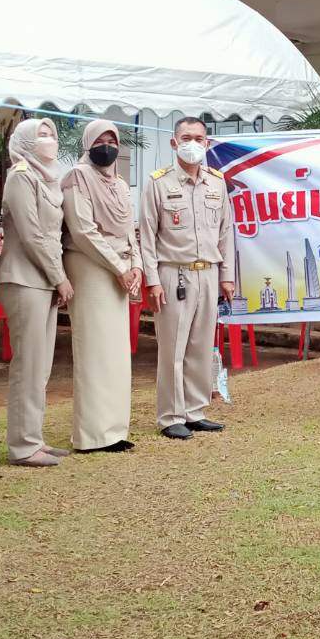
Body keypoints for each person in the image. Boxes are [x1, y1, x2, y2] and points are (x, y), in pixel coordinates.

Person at [140, 117, 236, 440]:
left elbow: (226, 233)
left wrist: (227, 277)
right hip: (174, 274)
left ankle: (195, 410)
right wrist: (152, 281)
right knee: (173, 348)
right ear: (173, 143)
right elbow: (147, 238)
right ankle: (170, 415)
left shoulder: (216, 183)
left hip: (208, 273)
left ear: (206, 143)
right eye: (186, 137)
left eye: (198, 138)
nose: (192, 144)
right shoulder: (159, 183)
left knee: (199, 346)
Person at [0, 118, 74, 468]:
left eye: (51, 135)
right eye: (41, 136)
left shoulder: (48, 178)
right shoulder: (21, 176)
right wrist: (60, 277)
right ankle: (23, 445)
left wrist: (55, 278)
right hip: (25, 278)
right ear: (25, 141)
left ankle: (34, 438)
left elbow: (53, 235)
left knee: (40, 367)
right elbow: (32, 235)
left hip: (43, 280)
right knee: (27, 365)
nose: (48, 141)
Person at [62, 119, 142, 453]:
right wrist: (120, 266)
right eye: (100, 139)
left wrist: (135, 265)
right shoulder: (76, 178)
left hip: (120, 268)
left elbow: (128, 228)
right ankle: (93, 434)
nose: (107, 145)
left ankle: (115, 430)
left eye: (112, 139)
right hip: (91, 267)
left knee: (116, 354)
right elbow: (82, 231)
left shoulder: (119, 183)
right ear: (88, 143)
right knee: (95, 351)